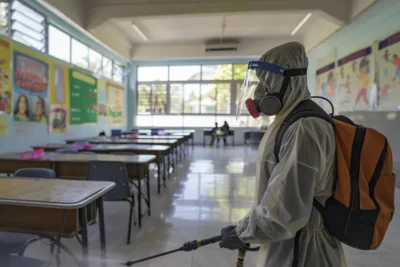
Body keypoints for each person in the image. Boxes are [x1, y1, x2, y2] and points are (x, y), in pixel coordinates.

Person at [219, 42, 346, 267]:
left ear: (288, 79)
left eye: (266, 82)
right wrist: (249, 225)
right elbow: (277, 191)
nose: (259, 92)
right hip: (287, 242)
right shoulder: (291, 120)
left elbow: (286, 211)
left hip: (302, 251)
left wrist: (243, 232)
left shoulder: (304, 128)